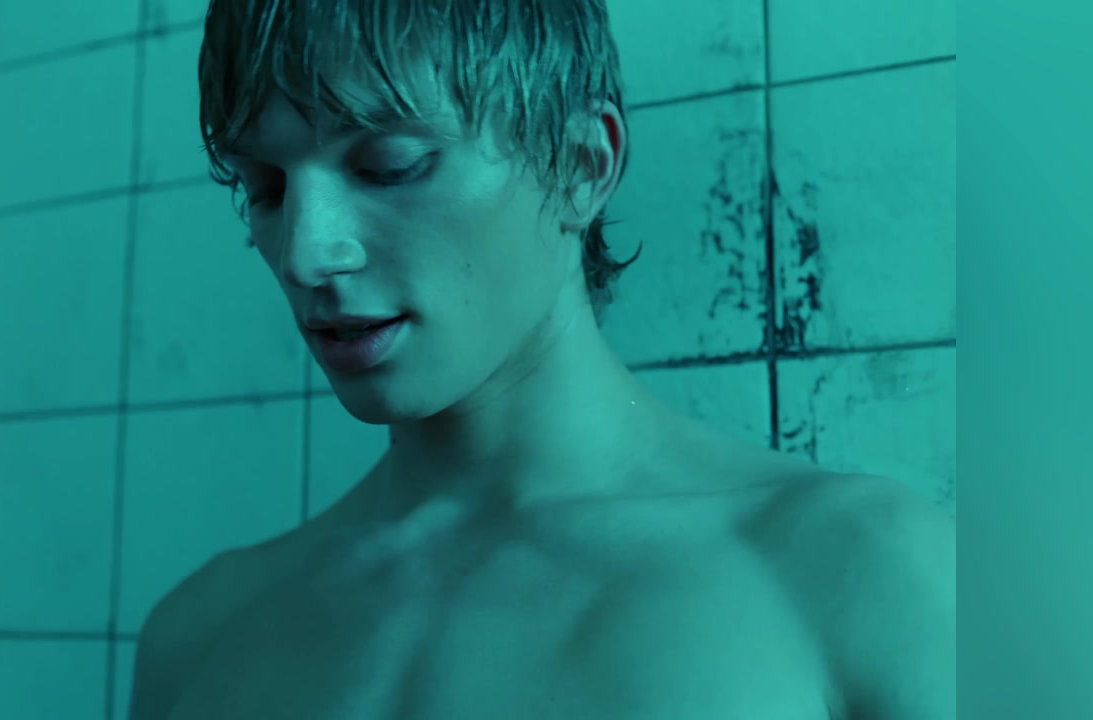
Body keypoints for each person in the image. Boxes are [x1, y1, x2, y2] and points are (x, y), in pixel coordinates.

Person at [129, 1, 955, 718]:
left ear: (580, 166)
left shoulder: (864, 579)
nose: (306, 253)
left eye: (390, 167)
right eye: (266, 188)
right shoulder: (198, 634)